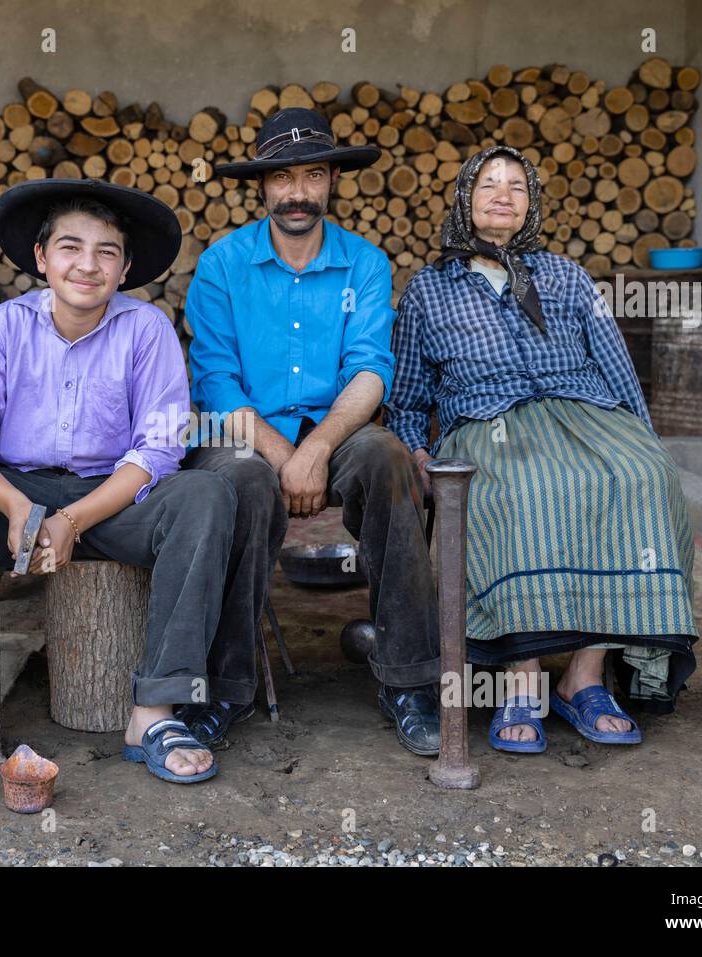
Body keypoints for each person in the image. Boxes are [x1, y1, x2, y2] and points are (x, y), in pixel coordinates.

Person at [0, 179, 236, 784]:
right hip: (17, 495)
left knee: (206, 494)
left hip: (115, 501)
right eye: (70, 247)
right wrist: (17, 504)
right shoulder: (6, 324)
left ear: (124, 269)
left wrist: (71, 520)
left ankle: (153, 713)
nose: (87, 266)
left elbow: (159, 447)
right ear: (42, 259)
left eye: (107, 252)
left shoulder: (148, 330)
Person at [387, 145, 698, 753]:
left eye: (516, 187)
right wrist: (417, 456)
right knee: (523, 485)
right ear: (464, 198)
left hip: (584, 411)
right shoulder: (430, 290)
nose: (502, 194)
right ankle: (520, 680)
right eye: (487, 183)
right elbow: (405, 398)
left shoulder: (566, 276)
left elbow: (615, 368)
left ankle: (584, 677)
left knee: (642, 477)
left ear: (530, 204)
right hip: (487, 418)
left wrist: (643, 441)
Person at [181, 108, 443, 756]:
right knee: (241, 480)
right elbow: (217, 382)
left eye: (314, 174)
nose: (298, 191)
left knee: (389, 460)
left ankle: (408, 679)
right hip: (244, 429)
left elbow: (371, 370)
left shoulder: (365, 264)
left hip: (337, 426)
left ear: (330, 182)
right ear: (262, 185)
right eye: (283, 176)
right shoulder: (222, 266)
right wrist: (280, 453)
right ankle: (225, 685)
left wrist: (319, 446)